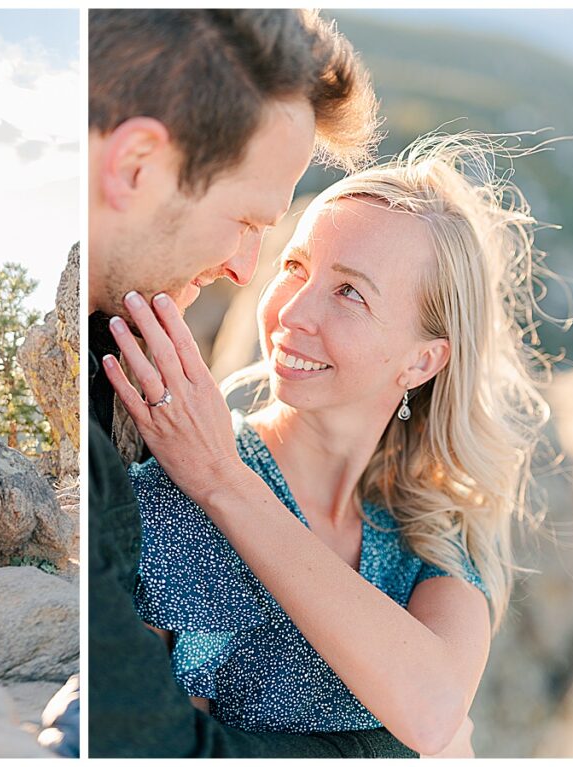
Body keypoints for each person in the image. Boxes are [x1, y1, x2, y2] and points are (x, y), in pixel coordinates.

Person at [106, 133, 549, 757]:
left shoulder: (433, 533)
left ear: (422, 361)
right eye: (293, 267)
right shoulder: (172, 505)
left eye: (349, 292)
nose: (291, 313)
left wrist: (224, 483)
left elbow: (433, 709)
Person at [88, 9, 414, 758]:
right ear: (136, 164)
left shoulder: (126, 349)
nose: (245, 269)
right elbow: (143, 745)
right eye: (244, 219)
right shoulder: (117, 426)